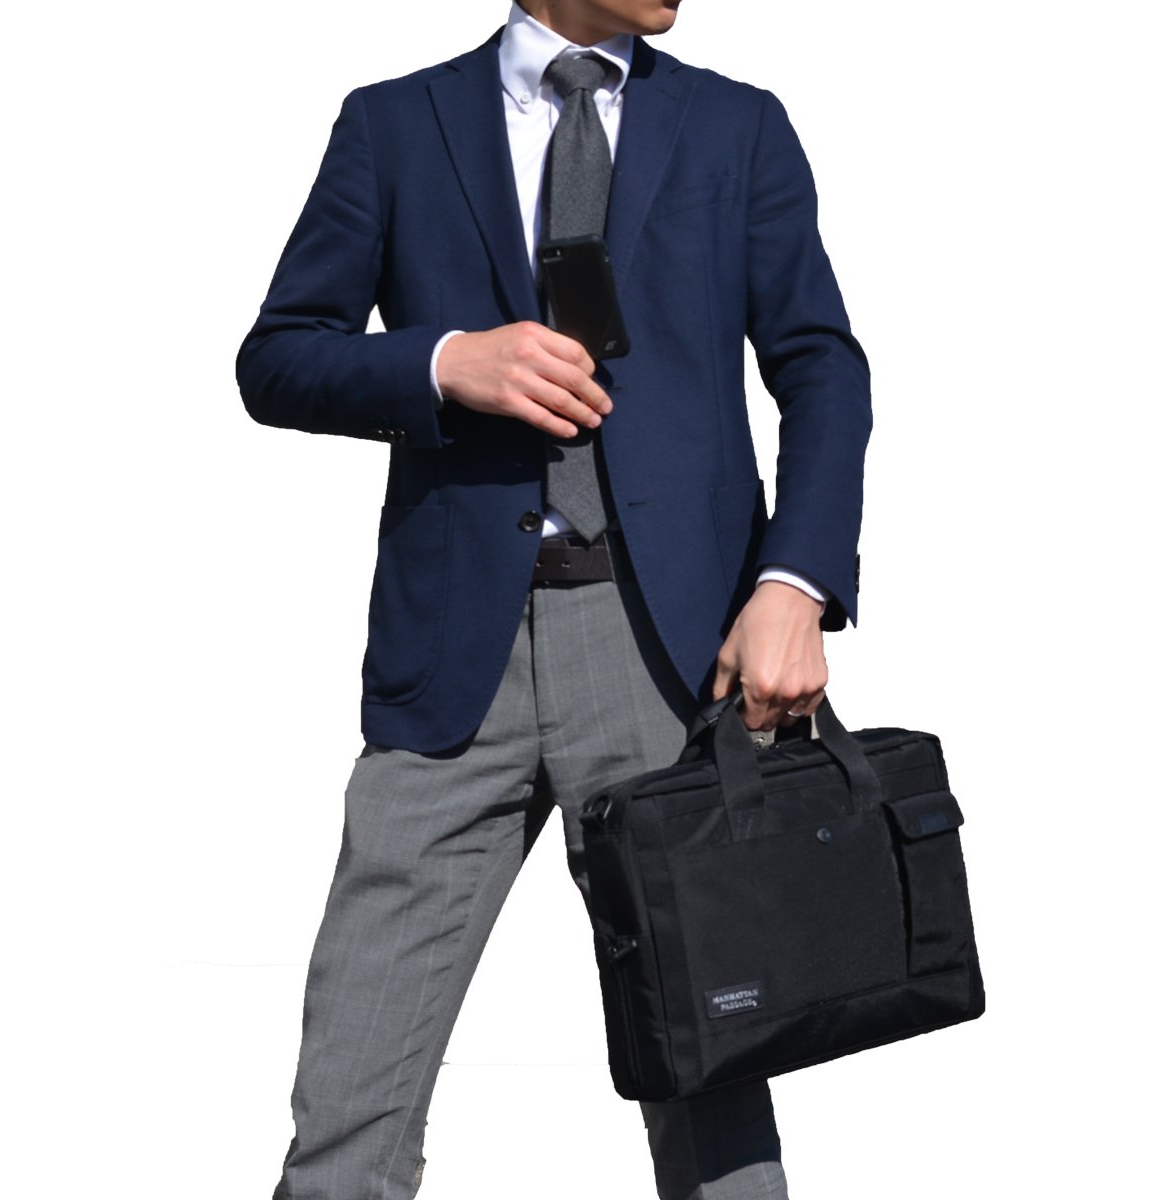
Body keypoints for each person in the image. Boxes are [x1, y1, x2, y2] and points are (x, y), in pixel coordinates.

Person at [236, 1, 871, 1196]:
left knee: (714, 1080)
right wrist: (442, 362)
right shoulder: (394, 123)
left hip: (672, 658)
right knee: (349, 1097)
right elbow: (277, 356)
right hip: (451, 658)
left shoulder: (735, 126)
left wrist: (795, 582)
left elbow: (821, 365)